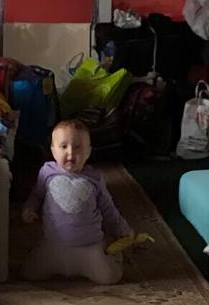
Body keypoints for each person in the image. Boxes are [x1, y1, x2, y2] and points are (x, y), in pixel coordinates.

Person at [20, 119, 135, 285]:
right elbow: (36, 195)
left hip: (89, 245)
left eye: (78, 147)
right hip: (53, 242)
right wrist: (29, 209)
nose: (71, 153)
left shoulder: (95, 178)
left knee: (109, 278)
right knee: (29, 274)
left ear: (88, 152)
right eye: (64, 146)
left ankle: (108, 252)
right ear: (53, 150)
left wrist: (122, 229)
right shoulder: (47, 172)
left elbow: (108, 208)